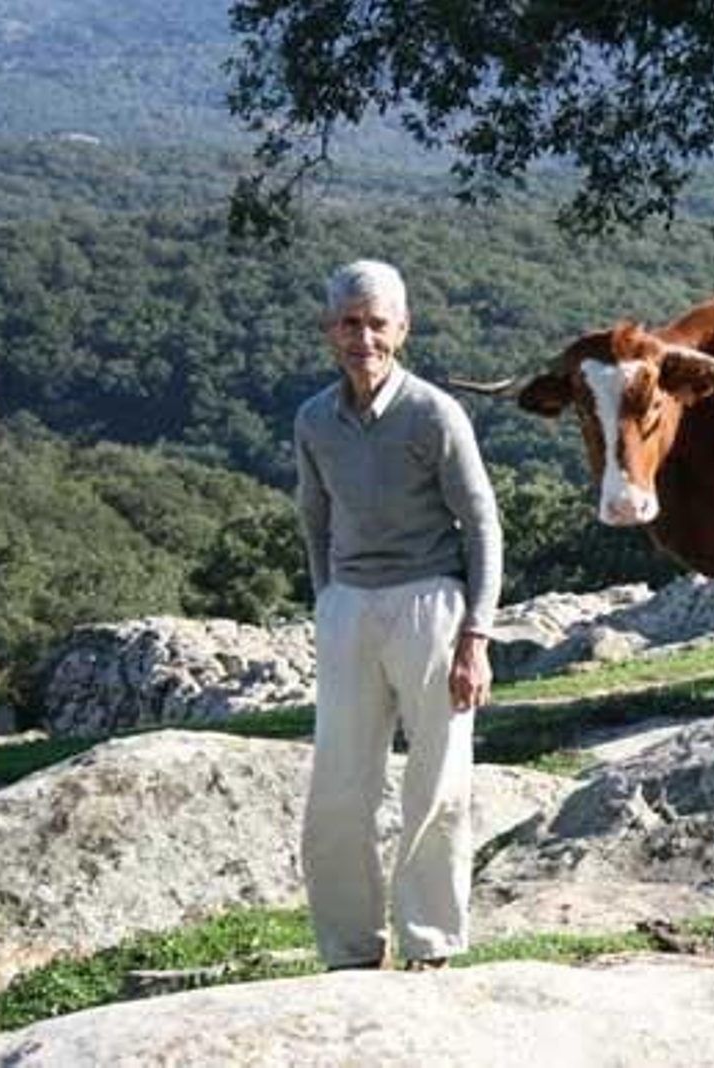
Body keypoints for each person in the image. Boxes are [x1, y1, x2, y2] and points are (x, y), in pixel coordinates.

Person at [293, 259, 502, 971]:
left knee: (438, 783)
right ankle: (349, 950)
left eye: (377, 323)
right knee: (338, 789)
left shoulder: (434, 413)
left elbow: (481, 527)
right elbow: (313, 518)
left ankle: (430, 944)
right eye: (349, 323)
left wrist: (476, 634)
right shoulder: (314, 420)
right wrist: (329, 599)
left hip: (431, 607)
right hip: (349, 608)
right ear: (329, 331)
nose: (364, 337)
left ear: (402, 329)